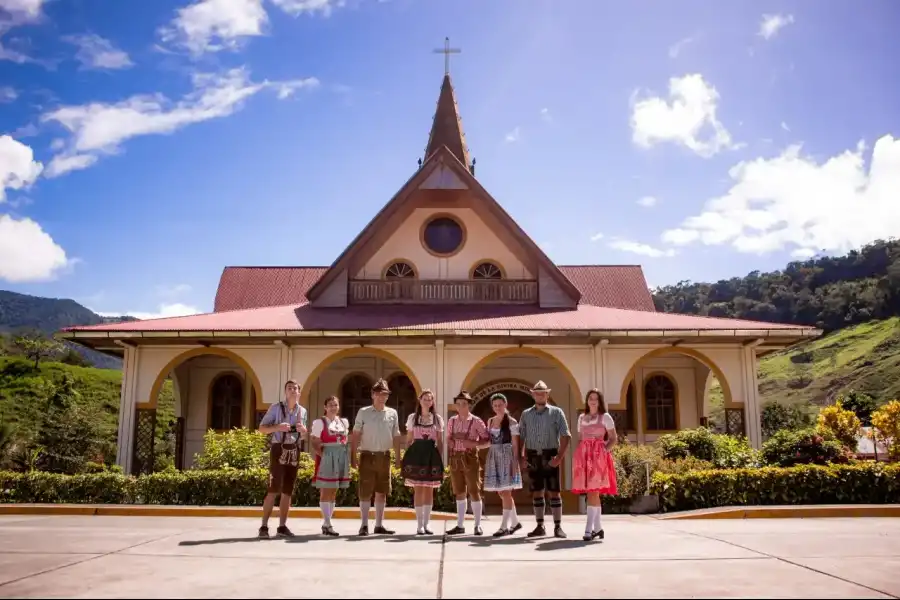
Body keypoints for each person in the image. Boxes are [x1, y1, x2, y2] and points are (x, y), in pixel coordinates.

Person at [518, 380, 571, 539]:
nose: (540, 395)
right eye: (537, 392)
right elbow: (521, 436)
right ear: (533, 394)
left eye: (543, 392)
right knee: (537, 492)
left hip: (550, 454)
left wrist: (559, 457)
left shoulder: (556, 412)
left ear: (547, 394)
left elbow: (566, 435)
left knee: (554, 492)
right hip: (533, 456)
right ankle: (539, 526)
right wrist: (521, 457)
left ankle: (558, 527)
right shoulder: (526, 414)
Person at [257, 379, 308, 538]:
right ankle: (264, 526)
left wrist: (304, 430)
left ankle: (282, 526)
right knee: (273, 489)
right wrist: (277, 427)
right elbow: (261, 429)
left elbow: (304, 435)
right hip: (278, 448)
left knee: (287, 490)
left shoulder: (303, 411)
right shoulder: (275, 408)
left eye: (295, 388)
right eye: (289, 388)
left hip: (294, 449)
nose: (293, 390)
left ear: (299, 392)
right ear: (285, 392)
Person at [351, 377, 401, 536]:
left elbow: (396, 436)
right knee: (365, 491)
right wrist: (353, 456)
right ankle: (364, 524)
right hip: (367, 455)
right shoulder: (363, 412)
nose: (382, 397)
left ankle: (379, 524)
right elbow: (356, 434)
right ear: (372, 395)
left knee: (382, 491)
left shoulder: (392, 413)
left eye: (385, 394)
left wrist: (398, 458)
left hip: (384, 456)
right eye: (379, 394)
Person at [572, 388, 619, 541]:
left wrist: (603, 451)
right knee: (592, 492)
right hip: (585, 457)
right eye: (590, 398)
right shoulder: (581, 418)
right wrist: (581, 456)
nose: (592, 401)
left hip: (599, 457)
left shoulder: (605, 417)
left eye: (595, 398)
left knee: (592, 491)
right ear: (587, 401)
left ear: (599, 402)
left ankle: (588, 529)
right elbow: (581, 439)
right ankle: (598, 528)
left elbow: (613, 438)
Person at [445, 391, 490, 536]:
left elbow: (487, 441)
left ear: (469, 405)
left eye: (464, 404)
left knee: (474, 491)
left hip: (470, 458)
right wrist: (451, 441)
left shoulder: (476, 421)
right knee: (459, 491)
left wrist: (473, 444)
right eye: (458, 404)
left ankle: (477, 525)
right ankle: (460, 525)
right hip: (456, 458)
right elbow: (448, 438)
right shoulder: (452, 421)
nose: (461, 406)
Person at [400, 389, 445, 535]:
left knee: (429, 489)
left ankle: (427, 523)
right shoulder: (413, 418)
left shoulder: (437, 419)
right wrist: (406, 458)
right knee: (418, 489)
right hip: (416, 454)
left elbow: (439, 441)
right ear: (420, 400)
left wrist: (440, 458)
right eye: (425, 399)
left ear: (432, 402)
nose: (427, 401)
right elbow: (409, 439)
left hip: (431, 454)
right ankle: (419, 524)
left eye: (430, 399)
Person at [483, 393, 523, 537]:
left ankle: (504, 526)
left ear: (505, 405)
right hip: (494, 456)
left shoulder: (511, 422)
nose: (498, 407)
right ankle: (515, 522)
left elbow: (515, 444)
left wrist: (514, 462)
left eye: (500, 404)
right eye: (495, 405)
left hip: (507, 457)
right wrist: (477, 445)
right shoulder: (490, 421)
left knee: (506, 492)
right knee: (501, 492)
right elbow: (489, 441)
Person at [311, 395, 351, 536]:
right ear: (325, 407)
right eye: (330, 405)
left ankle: (328, 522)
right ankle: (327, 523)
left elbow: (345, 440)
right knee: (326, 490)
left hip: (340, 457)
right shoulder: (320, 422)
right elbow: (315, 442)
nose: (333, 407)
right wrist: (325, 457)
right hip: (327, 456)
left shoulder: (343, 422)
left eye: (335, 405)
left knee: (334, 490)